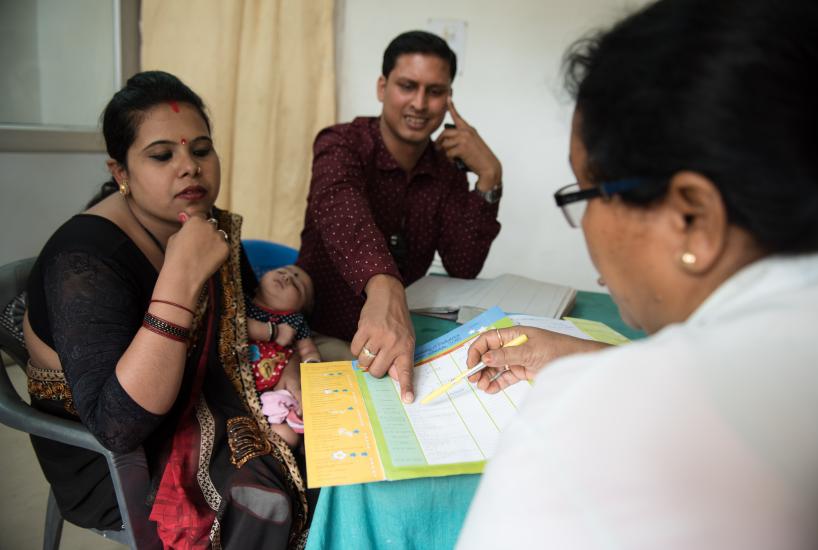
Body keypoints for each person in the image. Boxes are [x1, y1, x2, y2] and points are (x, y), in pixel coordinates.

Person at [458, 0, 818, 548]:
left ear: (693, 219)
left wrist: (593, 383)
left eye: (586, 192)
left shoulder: (583, 428)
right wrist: (586, 357)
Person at [23, 71, 309, 548]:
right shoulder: (84, 260)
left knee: (331, 443)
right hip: (115, 459)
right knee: (265, 491)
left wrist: (294, 369)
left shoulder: (205, 226)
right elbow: (118, 426)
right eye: (162, 155)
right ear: (120, 173)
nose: (190, 167)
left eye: (201, 150)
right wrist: (180, 276)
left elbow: (243, 335)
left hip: (210, 404)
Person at [296, 30, 503, 403]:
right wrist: (385, 284)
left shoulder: (446, 168)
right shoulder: (340, 143)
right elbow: (344, 214)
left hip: (409, 339)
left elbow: (464, 264)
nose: (420, 103)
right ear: (382, 87)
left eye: (435, 91)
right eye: (407, 86)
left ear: (448, 99)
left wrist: (489, 178)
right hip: (320, 335)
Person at [246, 265, 320, 446]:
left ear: (301, 308)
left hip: (274, 393)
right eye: (282, 271)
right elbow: (233, 325)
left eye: (297, 284)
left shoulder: (295, 321)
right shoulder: (243, 305)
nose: (287, 277)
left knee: (288, 436)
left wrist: (311, 366)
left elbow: (308, 350)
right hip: (236, 385)